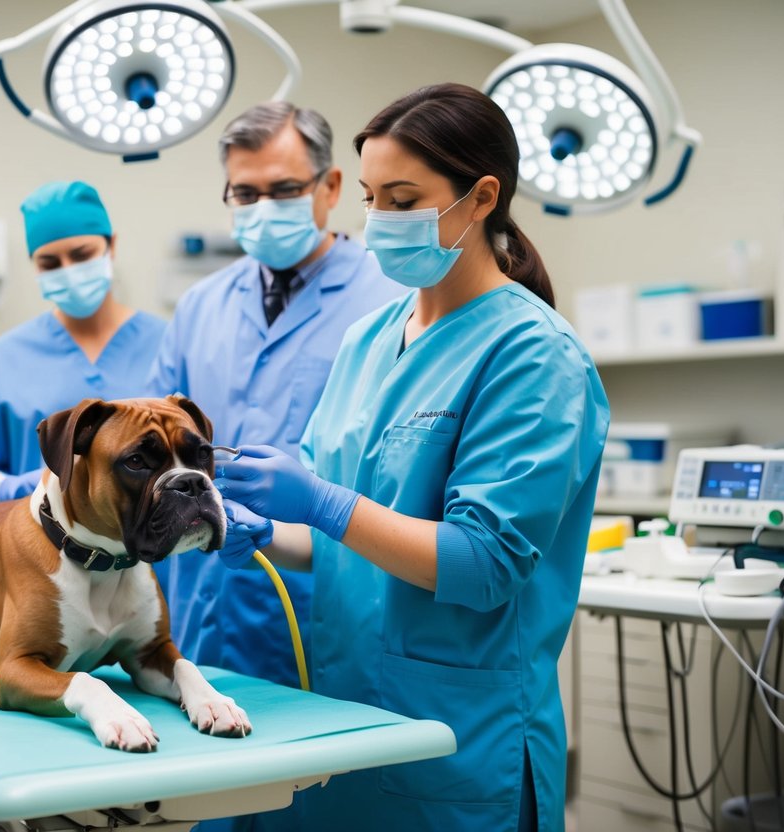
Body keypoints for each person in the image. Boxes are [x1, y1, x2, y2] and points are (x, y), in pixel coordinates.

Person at [214, 83, 610, 831]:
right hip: (344, 714)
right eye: (369, 199)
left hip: (457, 737)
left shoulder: (533, 356)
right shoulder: (368, 339)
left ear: (481, 196)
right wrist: (273, 532)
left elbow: (481, 565)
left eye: (402, 199)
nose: (378, 223)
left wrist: (322, 503)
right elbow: (339, 539)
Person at [147, 102, 404, 688]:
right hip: (204, 613)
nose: (264, 209)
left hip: (332, 608)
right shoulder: (200, 306)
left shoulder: (394, 298)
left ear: (331, 186)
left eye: (284, 189)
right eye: (245, 193)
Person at [0, 180, 165, 509]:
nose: (69, 271)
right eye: (49, 264)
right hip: (39, 546)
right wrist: (9, 489)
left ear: (112, 246)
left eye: (82, 255)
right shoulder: (6, 356)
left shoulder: (168, 343)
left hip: (155, 548)